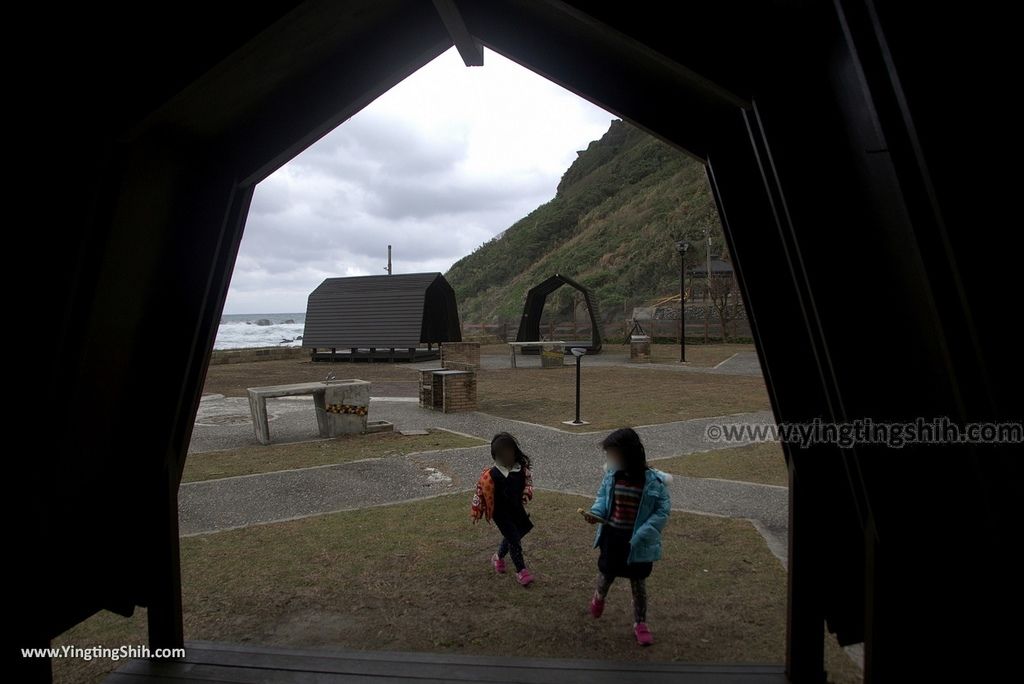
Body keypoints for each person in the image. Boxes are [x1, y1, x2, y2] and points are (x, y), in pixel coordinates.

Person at [582, 427, 672, 646]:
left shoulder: (653, 482)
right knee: (606, 575)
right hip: (612, 538)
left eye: (614, 454)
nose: (610, 459)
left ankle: (640, 623)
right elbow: (602, 498)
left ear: (629, 453)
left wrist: (643, 533)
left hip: (638, 542)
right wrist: (596, 513)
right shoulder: (612, 476)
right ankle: (599, 596)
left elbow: (662, 511)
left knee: (638, 584)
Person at [471, 432, 535, 586]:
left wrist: (527, 492)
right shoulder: (491, 475)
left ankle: (498, 557)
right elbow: (480, 491)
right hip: (500, 513)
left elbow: (528, 483)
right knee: (514, 539)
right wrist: (476, 510)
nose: (506, 456)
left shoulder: (521, 469)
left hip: (516, 508)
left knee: (519, 531)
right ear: (495, 456)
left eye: (509, 452)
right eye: (502, 454)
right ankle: (521, 571)